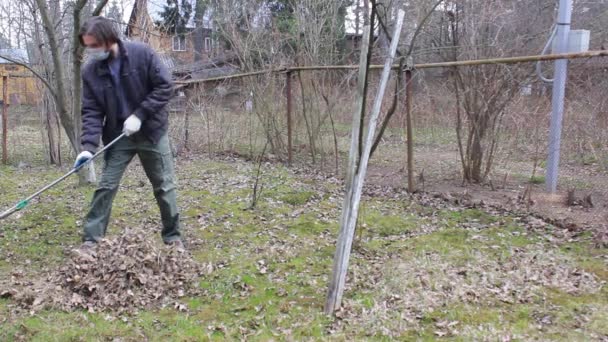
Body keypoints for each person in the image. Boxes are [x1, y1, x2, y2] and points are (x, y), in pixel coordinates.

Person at [74, 16, 183, 249]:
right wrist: (87, 148)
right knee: (106, 186)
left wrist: (140, 114)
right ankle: (91, 240)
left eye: (94, 45)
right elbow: (91, 111)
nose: (91, 51)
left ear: (109, 38)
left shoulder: (141, 54)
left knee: (164, 186)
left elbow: (165, 86)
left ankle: (173, 238)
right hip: (117, 135)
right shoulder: (91, 71)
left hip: (151, 131)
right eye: (87, 46)